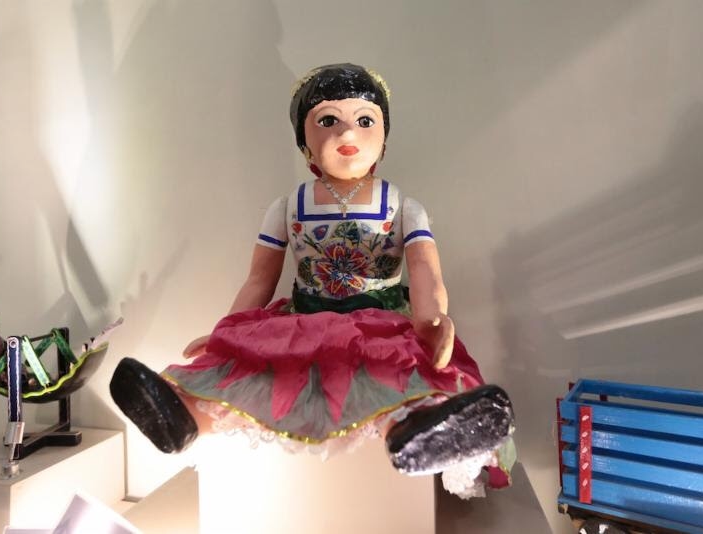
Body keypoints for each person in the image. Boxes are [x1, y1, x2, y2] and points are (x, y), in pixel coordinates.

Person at [110, 63, 515, 496]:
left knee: (394, 374)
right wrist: (229, 331)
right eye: (328, 120)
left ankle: (416, 432)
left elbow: (424, 269)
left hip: (381, 323)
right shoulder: (287, 207)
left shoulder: (403, 206)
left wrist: (431, 318)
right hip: (302, 321)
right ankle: (186, 418)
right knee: (254, 372)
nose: (348, 132)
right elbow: (258, 280)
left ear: (384, 138)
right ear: (304, 142)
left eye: (365, 120)